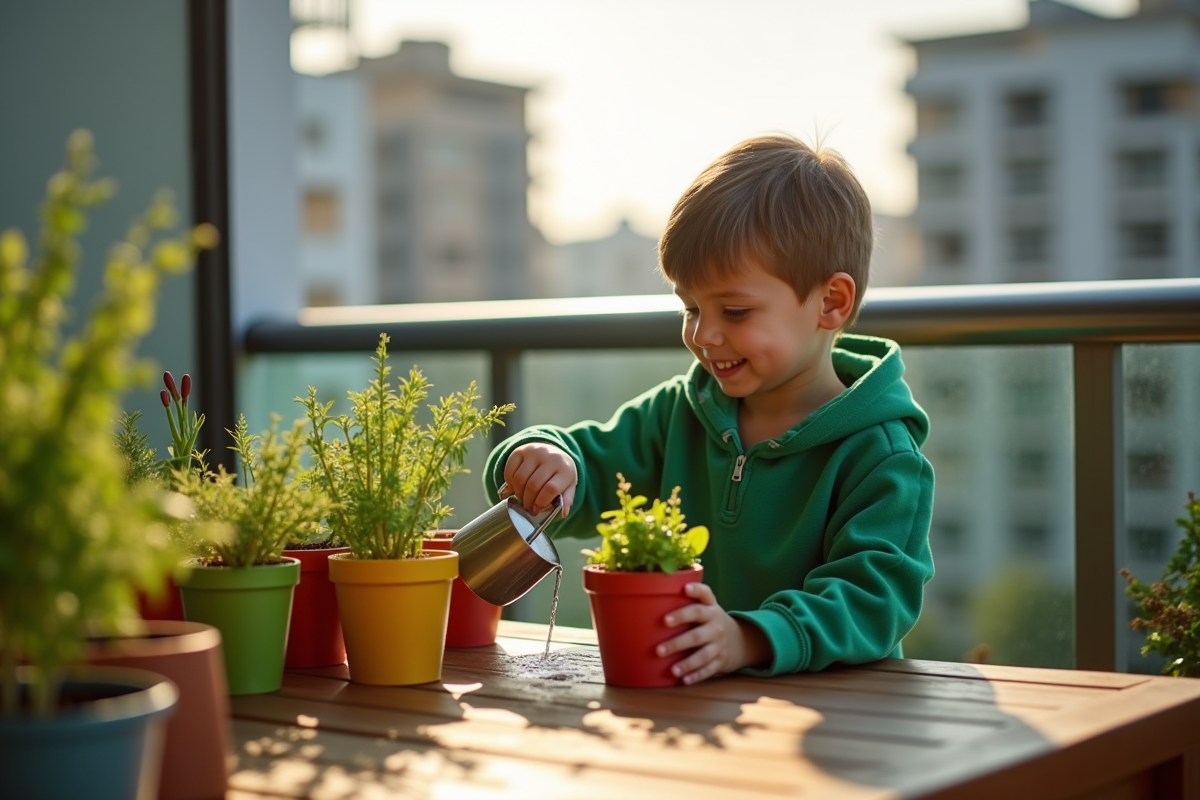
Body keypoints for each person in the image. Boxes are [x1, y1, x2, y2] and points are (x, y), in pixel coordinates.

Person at [483, 134, 935, 684]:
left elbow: (872, 600)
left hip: (841, 722)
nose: (703, 333)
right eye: (690, 306)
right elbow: (591, 463)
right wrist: (548, 460)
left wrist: (747, 638)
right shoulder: (680, 413)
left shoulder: (882, 455)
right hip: (693, 712)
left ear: (831, 302)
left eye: (736, 311)